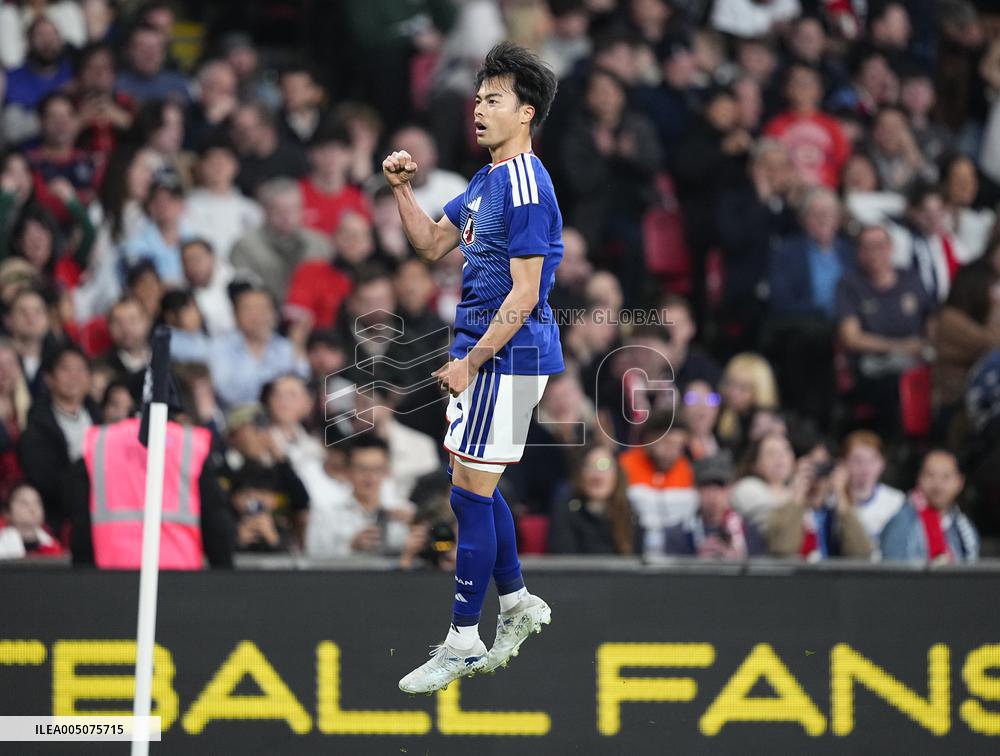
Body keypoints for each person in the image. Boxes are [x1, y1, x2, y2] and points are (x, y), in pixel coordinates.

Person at [383, 42, 560, 692]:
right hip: (483, 352)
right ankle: (515, 605)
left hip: (506, 354)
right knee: (471, 486)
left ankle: (463, 636)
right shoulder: (485, 181)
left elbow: (525, 293)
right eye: (478, 98)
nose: (478, 109)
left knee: (467, 493)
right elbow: (432, 242)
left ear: (526, 112)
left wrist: (471, 362)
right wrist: (401, 191)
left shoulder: (527, 186)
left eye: (493, 99)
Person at [17, 344, 101, 536]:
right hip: (58, 517)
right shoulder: (37, 424)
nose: (74, 376)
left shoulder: (99, 418)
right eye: (65, 369)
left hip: (100, 512)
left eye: (80, 369)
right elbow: (42, 477)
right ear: (49, 378)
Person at [218, 402, 309, 553]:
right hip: (234, 545)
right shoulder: (224, 470)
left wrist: (279, 457)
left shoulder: (277, 471)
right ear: (233, 435)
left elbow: (301, 501)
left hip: (277, 544)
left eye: (264, 426)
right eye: (254, 427)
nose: (260, 433)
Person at [304, 435, 414, 558]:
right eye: (362, 469)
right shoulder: (325, 513)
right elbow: (312, 556)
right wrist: (350, 547)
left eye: (377, 469)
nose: (370, 477)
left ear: (386, 471)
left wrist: (413, 526)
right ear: (347, 471)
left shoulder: (406, 512)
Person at [230, 178, 330, 302]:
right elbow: (242, 293)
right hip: (264, 315)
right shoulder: (245, 246)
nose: (287, 216)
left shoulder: (319, 244)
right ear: (265, 211)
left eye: (293, 209)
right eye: (279, 210)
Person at [209, 286, 307, 407]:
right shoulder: (220, 346)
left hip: (278, 417)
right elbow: (227, 392)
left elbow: (302, 381)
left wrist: (297, 346)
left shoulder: (283, 347)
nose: (256, 316)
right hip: (236, 416)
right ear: (235, 315)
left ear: (274, 315)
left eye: (262, 308)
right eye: (248, 309)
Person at [765, 457, 874, 560]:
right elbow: (783, 550)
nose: (817, 479)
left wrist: (841, 494)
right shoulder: (781, 509)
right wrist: (798, 495)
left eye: (823, 469)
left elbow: (862, 553)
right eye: (811, 469)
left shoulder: (840, 512)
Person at [881, 450, 979, 562]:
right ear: (919, 479)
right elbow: (893, 574)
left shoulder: (964, 527)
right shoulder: (902, 521)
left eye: (946, 477)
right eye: (930, 475)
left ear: (960, 482)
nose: (938, 484)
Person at [663, 452, 760, 559]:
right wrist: (697, 560)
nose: (714, 495)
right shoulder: (678, 535)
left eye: (720, 486)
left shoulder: (750, 532)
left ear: (730, 489)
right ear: (696, 489)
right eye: (706, 486)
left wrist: (736, 561)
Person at [182, 138, 263, 264]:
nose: (218, 167)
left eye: (224, 161)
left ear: (235, 166)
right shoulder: (187, 206)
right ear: (201, 166)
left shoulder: (251, 210)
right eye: (212, 162)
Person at [547, 445, 634, 555]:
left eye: (604, 466)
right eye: (590, 466)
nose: (597, 475)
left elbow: (637, 563)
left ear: (617, 474)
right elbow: (563, 561)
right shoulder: (564, 511)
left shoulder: (628, 513)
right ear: (580, 474)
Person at [298, 124, 372, 236]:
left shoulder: (359, 200)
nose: (331, 156)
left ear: (350, 155)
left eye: (339, 149)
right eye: (323, 149)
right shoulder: (296, 194)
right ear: (310, 154)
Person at [839, 430, 905, 544]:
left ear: (882, 463)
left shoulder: (896, 501)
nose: (865, 468)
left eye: (872, 460)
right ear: (844, 463)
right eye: (857, 460)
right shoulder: (833, 501)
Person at [114, 23, 190, 104]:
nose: (150, 54)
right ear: (129, 51)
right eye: (143, 47)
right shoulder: (115, 84)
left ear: (164, 53)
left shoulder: (178, 84)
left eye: (156, 48)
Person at [0, 483, 63, 559]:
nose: (32, 508)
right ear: (7, 512)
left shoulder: (53, 546)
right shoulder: (2, 543)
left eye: (37, 502)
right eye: (24, 503)